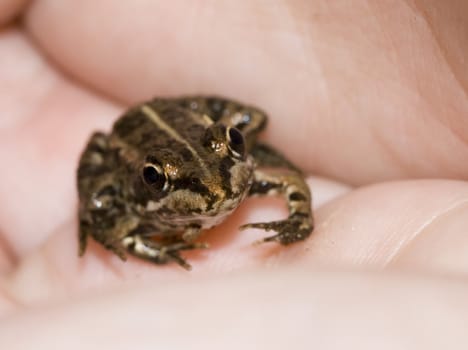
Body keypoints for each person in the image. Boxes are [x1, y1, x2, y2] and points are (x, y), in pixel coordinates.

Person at [1, 1, 468, 347]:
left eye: (236, 150)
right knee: (99, 200)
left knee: (249, 121)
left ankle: (201, 154)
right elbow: (104, 207)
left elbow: (288, 183)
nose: (220, 189)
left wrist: (298, 221)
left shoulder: (237, 174)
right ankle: (191, 161)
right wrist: (134, 241)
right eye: (160, 180)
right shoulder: (134, 199)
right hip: (131, 143)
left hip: (184, 121)